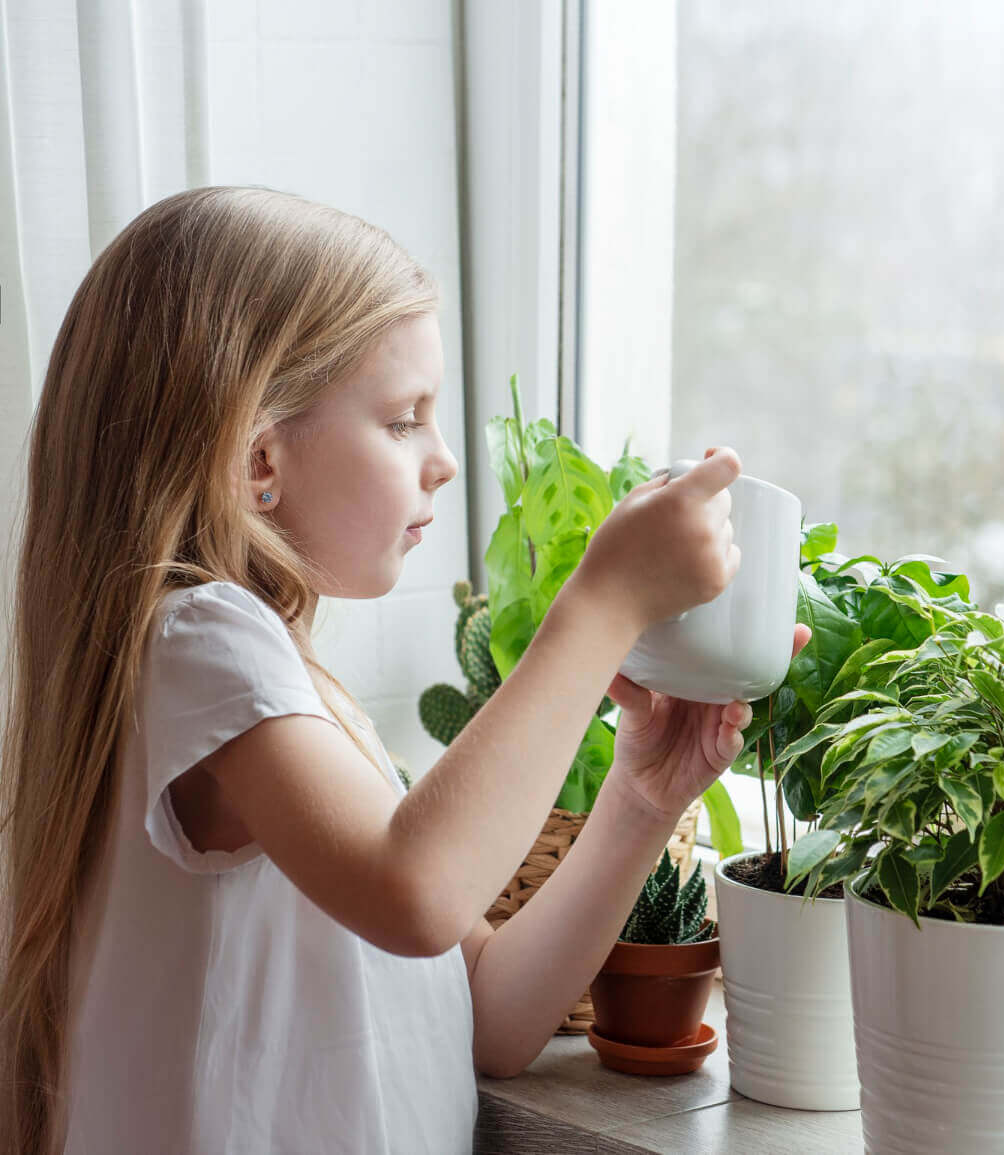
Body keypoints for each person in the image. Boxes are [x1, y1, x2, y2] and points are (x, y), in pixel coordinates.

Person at [0, 186, 811, 1154]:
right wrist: (601, 603)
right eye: (402, 420)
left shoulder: (294, 698)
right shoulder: (197, 644)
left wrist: (641, 797)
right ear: (260, 460)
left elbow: (490, 1012)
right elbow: (417, 890)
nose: (444, 462)